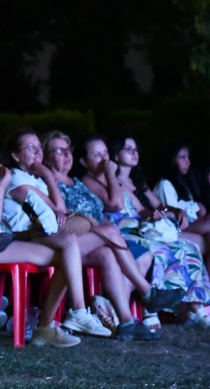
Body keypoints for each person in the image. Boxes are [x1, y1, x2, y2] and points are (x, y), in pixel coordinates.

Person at [0, 131, 92, 347]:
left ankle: (50, 324)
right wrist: (1, 189)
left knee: (66, 255)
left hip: (6, 242)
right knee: (66, 253)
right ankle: (65, 317)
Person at [41, 130, 182, 339]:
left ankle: (126, 322)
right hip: (66, 241)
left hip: (91, 238)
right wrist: (101, 227)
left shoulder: (76, 183)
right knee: (111, 232)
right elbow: (63, 215)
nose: (67, 154)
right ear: (46, 157)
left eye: (68, 149)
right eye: (59, 151)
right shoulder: (48, 181)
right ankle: (148, 292)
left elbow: (99, 214)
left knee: (109, 252)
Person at [80, 135, 210, 328]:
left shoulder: (117, 181)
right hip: (120, 231)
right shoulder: (89, 181)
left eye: (105, 152)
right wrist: (111, 176)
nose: (104, 158)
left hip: (139, 227)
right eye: (97, 155)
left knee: (187, 247)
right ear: (84, 161)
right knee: (160, 251)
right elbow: (115, 204)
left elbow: (140, 209)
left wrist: (155, 215)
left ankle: (194, 306)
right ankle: (150, 309)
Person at [154, 140, 210, 249]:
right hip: (177, 228)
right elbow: (173, 215)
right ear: (172, 160)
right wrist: (196, 208)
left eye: (188, 158)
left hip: (191, 224)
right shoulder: (165, 184)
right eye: (182, 158)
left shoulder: (184, 184)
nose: (187, 162)